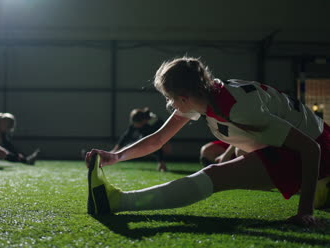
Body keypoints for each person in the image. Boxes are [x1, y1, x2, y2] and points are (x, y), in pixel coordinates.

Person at [86, 56, 330, 226]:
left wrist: (304, 212)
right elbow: (158, 139)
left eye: (169, 98)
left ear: (183, 96)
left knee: (216, 175)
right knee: (219, 170)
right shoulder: (209, 95)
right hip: (301, 148)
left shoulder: (237, 107)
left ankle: (118, 202)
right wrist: (116, 156)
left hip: (321, 152)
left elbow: (311, 147)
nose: (170, 104)